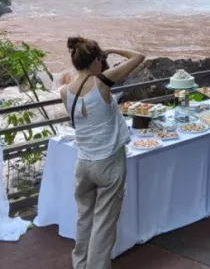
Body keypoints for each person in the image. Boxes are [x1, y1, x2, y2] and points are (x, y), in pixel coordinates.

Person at [59, 37, 145, 269]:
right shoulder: (102, 82)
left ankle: (80, 264)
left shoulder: (64, 91)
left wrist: (99, 55)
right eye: (101, 59)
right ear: (97, 59)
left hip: (83, 163)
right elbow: (138, 57)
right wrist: (113, 49)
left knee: (84, 218)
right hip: (108, 162)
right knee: (104, 224)